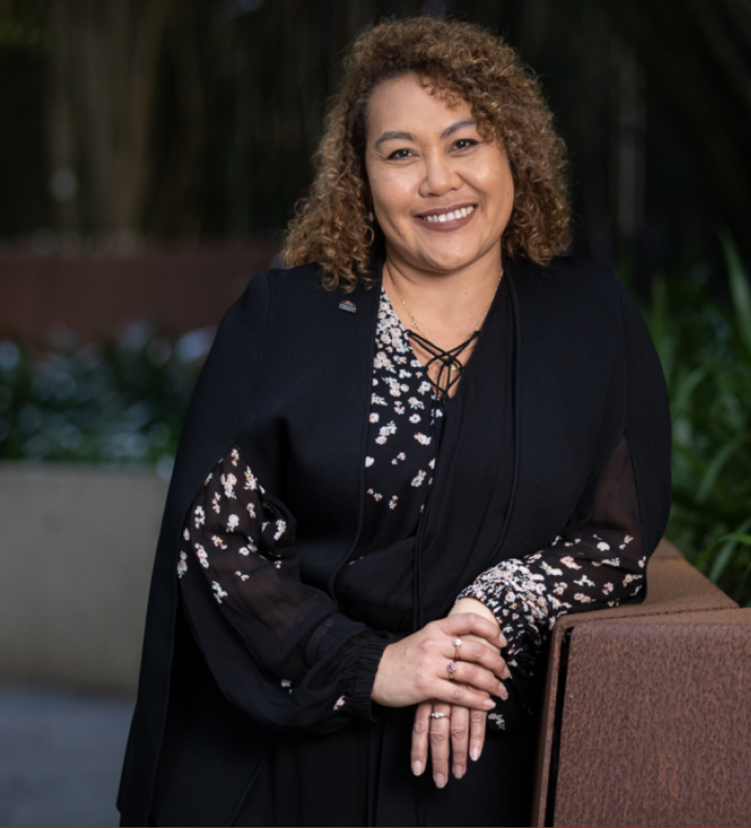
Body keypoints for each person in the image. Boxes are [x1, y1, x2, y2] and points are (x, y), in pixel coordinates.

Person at [117, 16, 670, 827]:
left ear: (513, 150)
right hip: (291, 754)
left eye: (465, 142)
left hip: (490, 760)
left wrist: (484, 620)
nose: (439, 179)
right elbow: (215, 538)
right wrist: (371, 664)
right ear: (360, 177)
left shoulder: (590, 319)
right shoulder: (283, 318)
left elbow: (621, 530)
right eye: (401, 152)